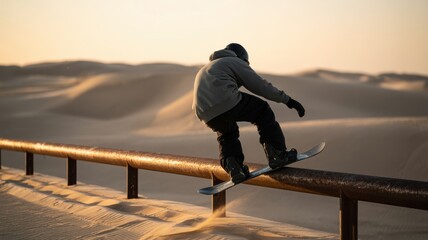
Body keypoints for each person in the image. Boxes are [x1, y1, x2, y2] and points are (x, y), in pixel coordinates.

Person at [192, 43, 305, 183]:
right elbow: (259, 85)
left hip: (204, 112)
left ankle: (234, 167)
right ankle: (277, 154)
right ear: (242, 57)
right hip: (225, 99)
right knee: (262, 110)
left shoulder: (209, 67)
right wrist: (288, 101)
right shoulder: (234, 61)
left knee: (227, 133)